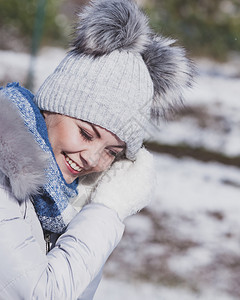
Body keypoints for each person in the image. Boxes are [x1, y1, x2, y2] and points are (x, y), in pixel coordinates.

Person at [0, 0, 195, 299]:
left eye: (112, 152)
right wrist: (107, 210)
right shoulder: (5, 175)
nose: (93, 158)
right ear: (52, 107)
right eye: (85, 133)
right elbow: (43, 293)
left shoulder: (66, 205)